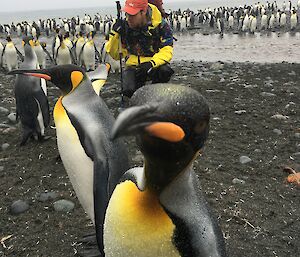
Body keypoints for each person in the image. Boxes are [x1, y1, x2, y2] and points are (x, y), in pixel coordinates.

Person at [105, 0, 174, 98]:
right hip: (133, 65)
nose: (129, 18)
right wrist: (114, 34)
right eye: (127, 14)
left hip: (152, 63)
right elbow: (115, 55)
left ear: (143, 12)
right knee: (129, 90)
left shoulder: (160, 25)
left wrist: (151, 63)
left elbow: (167, 50)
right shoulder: (124, 27)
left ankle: (156, 93)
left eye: (132, 15)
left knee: (164, 71)